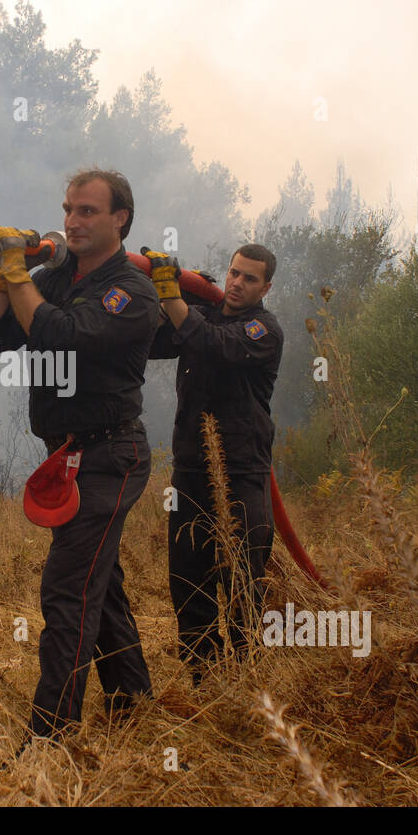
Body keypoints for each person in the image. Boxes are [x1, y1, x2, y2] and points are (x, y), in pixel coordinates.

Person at [0, 169, 159, 740]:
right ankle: (133, 703)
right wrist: (9, 274)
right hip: (69, 456)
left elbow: (61, 337)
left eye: (87, 211)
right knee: (98, 586)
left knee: (68, 592)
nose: (72, 221)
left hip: (111, 456)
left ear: (120, 217)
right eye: (68, 209)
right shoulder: (53, 278)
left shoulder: (130, 290)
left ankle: (49, 739)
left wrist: (19, 272)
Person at [146, 244, 284, 684]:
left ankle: (247, 680)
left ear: (266, 287)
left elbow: (217, 346)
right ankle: (204, 679)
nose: (237, 283)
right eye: (233, 273)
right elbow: (156, 342)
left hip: (242, 471)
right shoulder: (202, 313)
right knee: (189, 580)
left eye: (249, 278)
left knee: (243, 578)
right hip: (191, 467)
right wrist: (160, 296)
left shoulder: (264, 329)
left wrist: (175, 297)